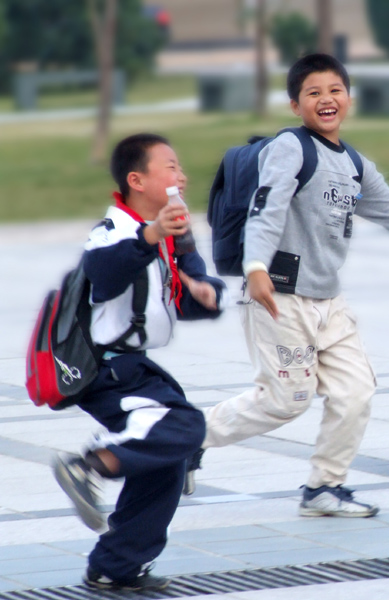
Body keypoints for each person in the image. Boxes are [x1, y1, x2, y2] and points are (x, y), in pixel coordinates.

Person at [189, 53, 389, 518]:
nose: (326, 100)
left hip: (328, 302)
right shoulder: (291, 148)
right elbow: (266, 208)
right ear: (295, 104)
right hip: (279, 295)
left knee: (356, 391)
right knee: (286, 401)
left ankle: (324, 487)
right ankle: (188, 438)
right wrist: (255, 264)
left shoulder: (356, 164)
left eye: (334, 90)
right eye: (313, 93)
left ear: (349, 98)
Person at [52, 133, 226, 591]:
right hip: (108, 370)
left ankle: (117, 566)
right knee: (187, 425)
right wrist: (151, 235)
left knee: (165, 464)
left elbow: (191, 286)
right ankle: (90, 465)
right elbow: (103, 274)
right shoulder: (113, 230)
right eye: (170, 166)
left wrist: (207, 294)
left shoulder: (172, 230)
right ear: (137, 180)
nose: (181, 176)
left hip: (138, 367)